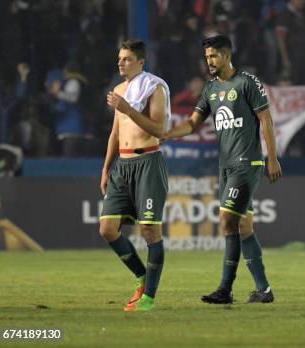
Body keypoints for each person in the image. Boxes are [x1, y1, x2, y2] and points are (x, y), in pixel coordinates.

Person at [163, 35, 282, 304]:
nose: (210, 62)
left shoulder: (247, 82)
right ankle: (264, 290)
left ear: (227, 56)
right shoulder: (210, 89)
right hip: (225, 166)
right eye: (206, 58)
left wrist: (271, 158)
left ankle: (225, 290)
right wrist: (167, 134)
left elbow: (266, 120)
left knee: (227, 220)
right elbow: (193, 123)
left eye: (214, 56)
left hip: (247, 162)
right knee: (243, 225)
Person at [99, 39, 171, 312]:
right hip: (123, 165)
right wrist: (106, 168)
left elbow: (159, 128)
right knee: (107, 229)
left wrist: (127, 108)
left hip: (148, 161)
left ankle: (149, 298)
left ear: (141, 62)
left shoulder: (155, 88)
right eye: (120, 58)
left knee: (150, 231)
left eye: (127, 58)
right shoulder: (118, 90)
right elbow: (116, 134)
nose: (121, 62)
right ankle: (142, 276)